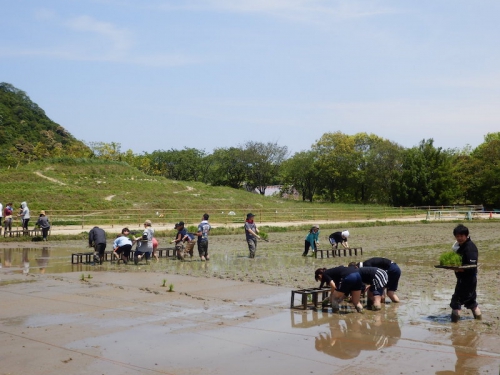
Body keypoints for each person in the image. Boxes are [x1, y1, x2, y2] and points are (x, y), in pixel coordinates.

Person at [449, 224, 481, 322]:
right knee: (471, 302)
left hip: (467, 280)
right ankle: (478, 320)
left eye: (461, 236)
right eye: (457, 236)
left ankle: (454, 326)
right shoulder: (461, 246)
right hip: (465, 279)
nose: (459, 238)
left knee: (456, 302)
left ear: (466, 235)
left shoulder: (470, 248)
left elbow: (471, 266)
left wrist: (458, 269)